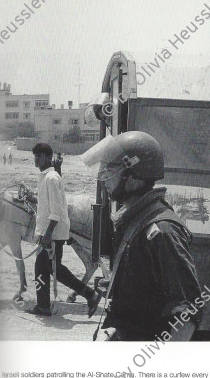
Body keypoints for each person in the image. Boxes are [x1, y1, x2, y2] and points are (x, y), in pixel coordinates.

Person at [81, 131, 202, 341]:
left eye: (111, 169)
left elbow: (187, 313)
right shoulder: (135, 220)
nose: (103, 176)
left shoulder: (162, 230)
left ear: (134, 175)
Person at [27, 142, 101, 317]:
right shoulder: (47, 177)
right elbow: (49, 204)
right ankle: (87, 295)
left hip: (52, 234)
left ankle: (87, 295)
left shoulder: (51, 178)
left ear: (47, 158)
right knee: (53, 269)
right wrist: (33, 198)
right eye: (35, 156)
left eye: (39, 156)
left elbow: (57, 211)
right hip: (50, 232)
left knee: (45, 269)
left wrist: (47, 235)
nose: (36, 160)